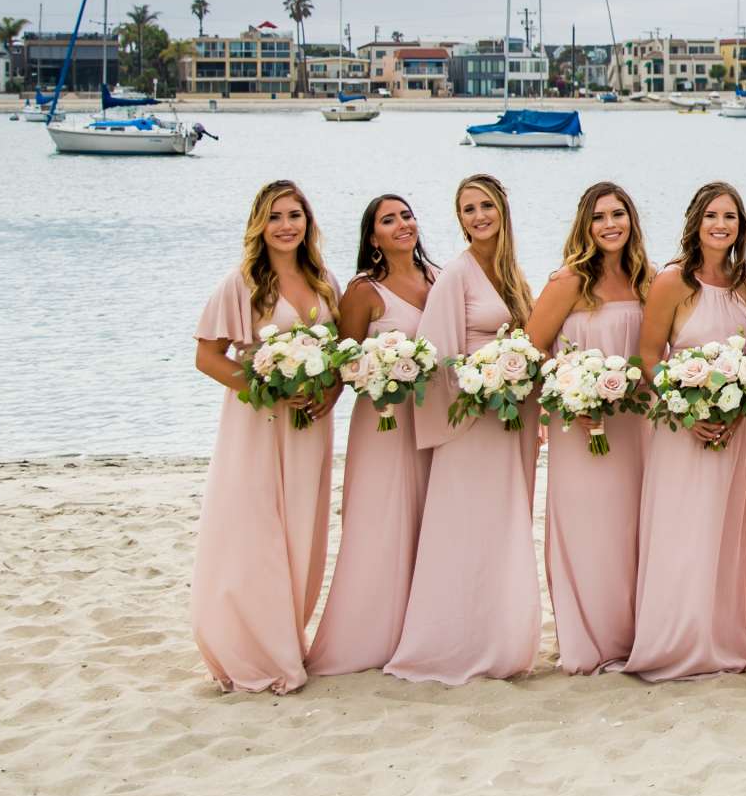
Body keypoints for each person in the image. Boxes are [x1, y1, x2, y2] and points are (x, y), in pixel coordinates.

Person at [384, 175, 541, 685]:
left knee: (502, 530)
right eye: (468, 209)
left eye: (487, 206)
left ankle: (498, 639)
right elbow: (434, 358)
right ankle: (450, 643)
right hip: (469, 424)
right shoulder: (455, 275)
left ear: (503, 210)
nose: (479, 216)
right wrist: (479, 386)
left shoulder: (514, 275)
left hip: (509, 421)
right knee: (464, 530)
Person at [188, 179, 341, 693]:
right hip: (257, 424)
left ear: (308, 222)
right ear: (259, 224)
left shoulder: (324, 282)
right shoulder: (242, 284)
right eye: (275, 216)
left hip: (310, 427)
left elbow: (339, 357)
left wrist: (332, 392)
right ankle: (252, 648)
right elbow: (207, 357)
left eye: (295, 215)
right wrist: (267, 389)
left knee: (301, 531)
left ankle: (286, 637)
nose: (286, 226)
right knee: (255, 532)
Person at [621, 181, 746, 681]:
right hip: (682, 427)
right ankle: (675, 640)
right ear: (695, 223)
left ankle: (724, 638)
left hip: (735, 428)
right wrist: (686, 411)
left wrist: (739, 401)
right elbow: (647, 358)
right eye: (711, 216)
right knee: (683, 530)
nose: (720, 225)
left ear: (740, 227)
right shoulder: (672, 282)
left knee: (726, 532)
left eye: (730, 216)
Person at [523, 182, 654, 675]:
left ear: (632, 221)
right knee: (588, 529)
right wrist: (569, 397)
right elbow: (533, 354)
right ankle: (587, 639)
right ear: (585, 225)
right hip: (581, 425)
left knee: (631, 529)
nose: (610, 224)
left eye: (619, 213)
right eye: (599, 217)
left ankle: (630, 634)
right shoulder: (567, 283)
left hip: (635, 426)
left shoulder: (648, 280)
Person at [306, 193, 437, 676]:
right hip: (382, 420)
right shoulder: (364, 290)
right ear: (373, 237)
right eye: (389, 220)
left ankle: (419, 630)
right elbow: (343, 361)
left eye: (407, 214)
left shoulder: (438, 278)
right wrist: (335, 395)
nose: (402, 223)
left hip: (431, 419)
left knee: (427, 519)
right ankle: (366, 637)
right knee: (381, 519)